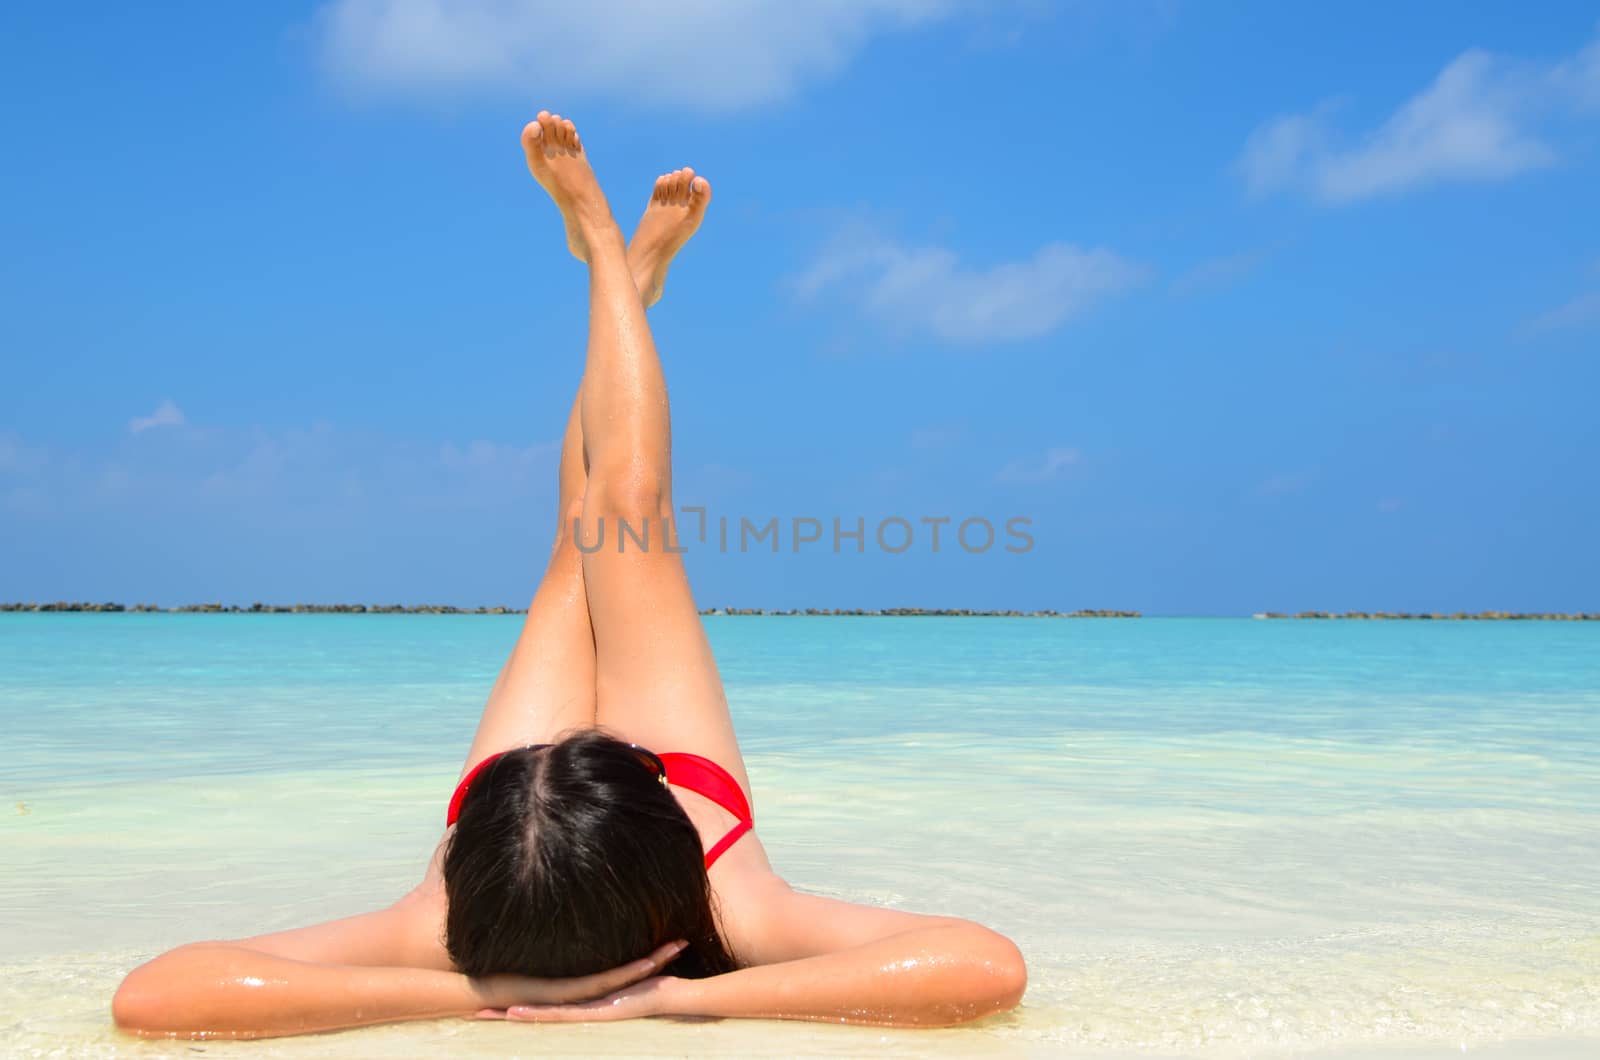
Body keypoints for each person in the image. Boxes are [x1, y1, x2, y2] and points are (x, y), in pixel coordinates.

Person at [111, 112, 1028, 1039]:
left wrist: (475, 991)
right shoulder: (735, 909)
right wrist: (685, 995)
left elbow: (153, 995)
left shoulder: (434, 928)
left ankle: (616, 271)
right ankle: (609, 261)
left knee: (575, 543)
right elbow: (985, 964)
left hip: (526, 837)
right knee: (623, 514)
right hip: (640, 811)